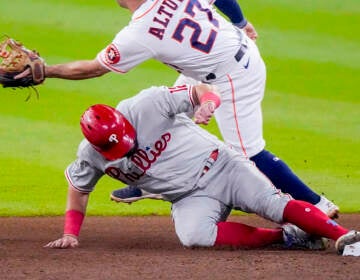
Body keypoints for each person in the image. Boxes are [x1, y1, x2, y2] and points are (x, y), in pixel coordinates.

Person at [16, 0, 338, 216]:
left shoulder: (138, 32)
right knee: (170, 108)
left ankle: (318, 205)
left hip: (232, 76)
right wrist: (241, 21)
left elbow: (94, 68)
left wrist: (48, 71)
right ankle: (152, 181)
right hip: (232, 52)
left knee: (249, 152)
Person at [44, 83, 359, 255]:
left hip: (222, 167)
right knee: (195, 236)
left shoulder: (148, 103)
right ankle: (288, 238)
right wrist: (70, 234)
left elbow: (201, 90)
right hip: (188, 198)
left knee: (274, 203)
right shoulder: (91, 155)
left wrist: (208, 102)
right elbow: (79, 189)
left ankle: (346, 238)